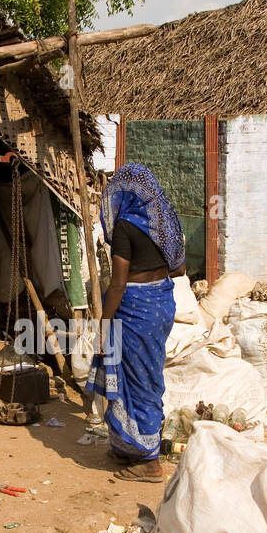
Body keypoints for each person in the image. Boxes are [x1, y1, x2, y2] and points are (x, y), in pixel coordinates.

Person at [86, 163, 186, 481]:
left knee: (137, 381)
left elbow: (117, 282)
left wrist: (103, 324)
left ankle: (148, 461)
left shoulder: (126, 227)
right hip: (162, 303)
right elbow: (180, 269)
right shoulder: (165, 221)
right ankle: (129, 446)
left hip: (134, 308)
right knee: (147, 376)